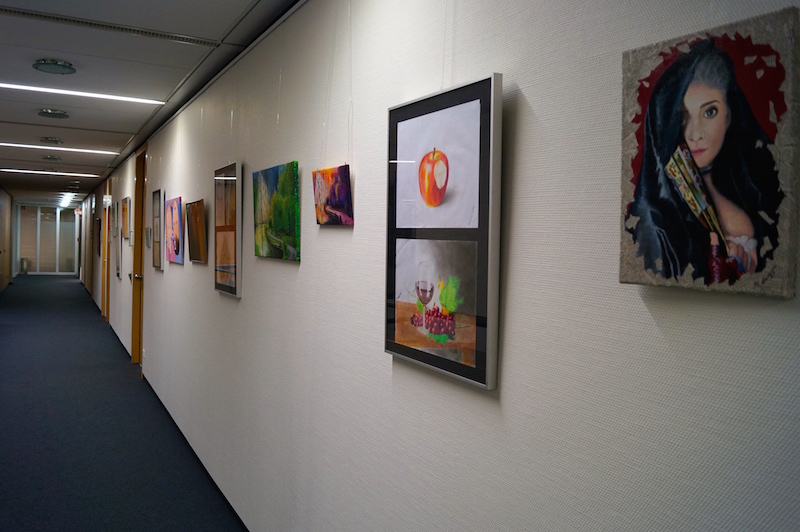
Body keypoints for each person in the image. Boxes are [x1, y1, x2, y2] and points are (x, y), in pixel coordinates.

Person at [625, 39, 783, 284]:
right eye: (683, 117)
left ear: (728, 116)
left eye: (709, 112)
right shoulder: (658, 214)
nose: (695, 133)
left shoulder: (753, 185)